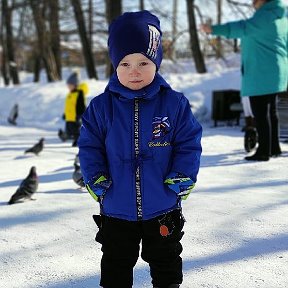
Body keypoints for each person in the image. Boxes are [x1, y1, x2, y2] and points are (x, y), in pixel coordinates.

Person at [78, 10, 202, 288]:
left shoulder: (174, 104)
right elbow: (89, 146)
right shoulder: (101, 107)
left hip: (163, 204)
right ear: (114, 65)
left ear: (156, 62)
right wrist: (95, 176)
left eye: (143, 62)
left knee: (166, 259)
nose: (134, 71)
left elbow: (188, 142)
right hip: (116, 206)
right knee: (116, 262)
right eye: (125, 63)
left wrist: (183, 173)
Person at [201, 0, 288, 161]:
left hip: (261, 72)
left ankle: (263, 151)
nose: (252, 2)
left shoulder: (264, 16)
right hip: (276, 70)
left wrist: (213, 29)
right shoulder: (281, 16)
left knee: (260, 112)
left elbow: (242, 27)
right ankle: (273, 148)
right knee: (271, 111)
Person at [60, 72, 86, 147]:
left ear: (75, 85)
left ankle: (78, 141)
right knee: (69, 129)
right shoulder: (70, 94)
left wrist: (79, 115)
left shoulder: (79, 94)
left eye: (70, 85)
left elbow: (81, 106)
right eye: (68, 85)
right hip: (69, 117)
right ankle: (67, 136)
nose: (68, 87)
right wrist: (65, 114)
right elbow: (69, 106)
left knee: (76, 130)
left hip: (75, 117)